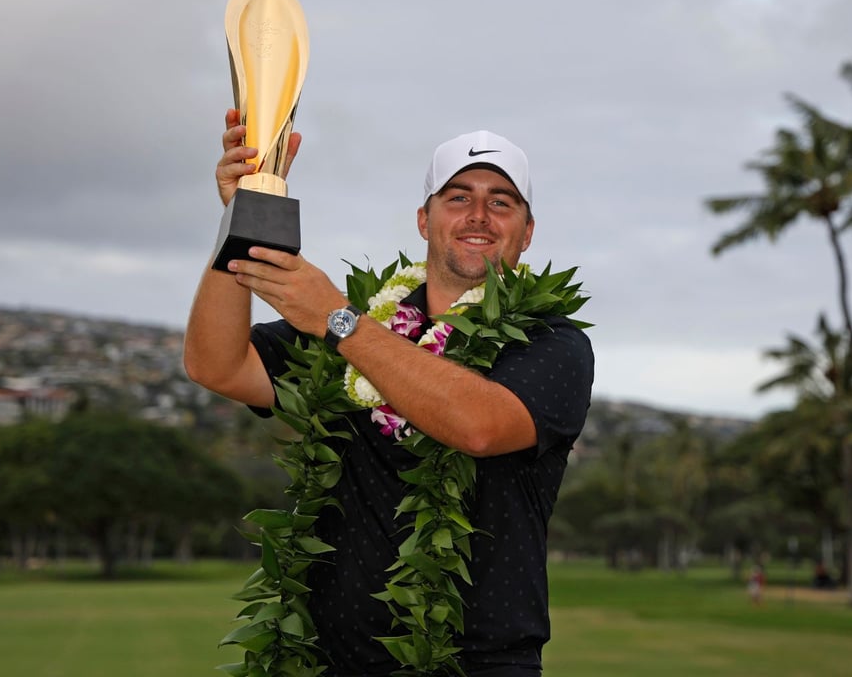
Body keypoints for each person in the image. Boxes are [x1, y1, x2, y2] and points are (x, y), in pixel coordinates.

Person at [184, 109, 595, 676]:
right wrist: (242, 216)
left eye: (501, 202)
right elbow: (218, 365)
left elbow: (479, 426)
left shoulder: (553, 342)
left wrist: (339, 321)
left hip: (474, 665)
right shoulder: (369, 319)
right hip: (325, 661)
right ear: (424, 220)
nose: (478, 215)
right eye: (458, 198)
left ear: (527, 232)